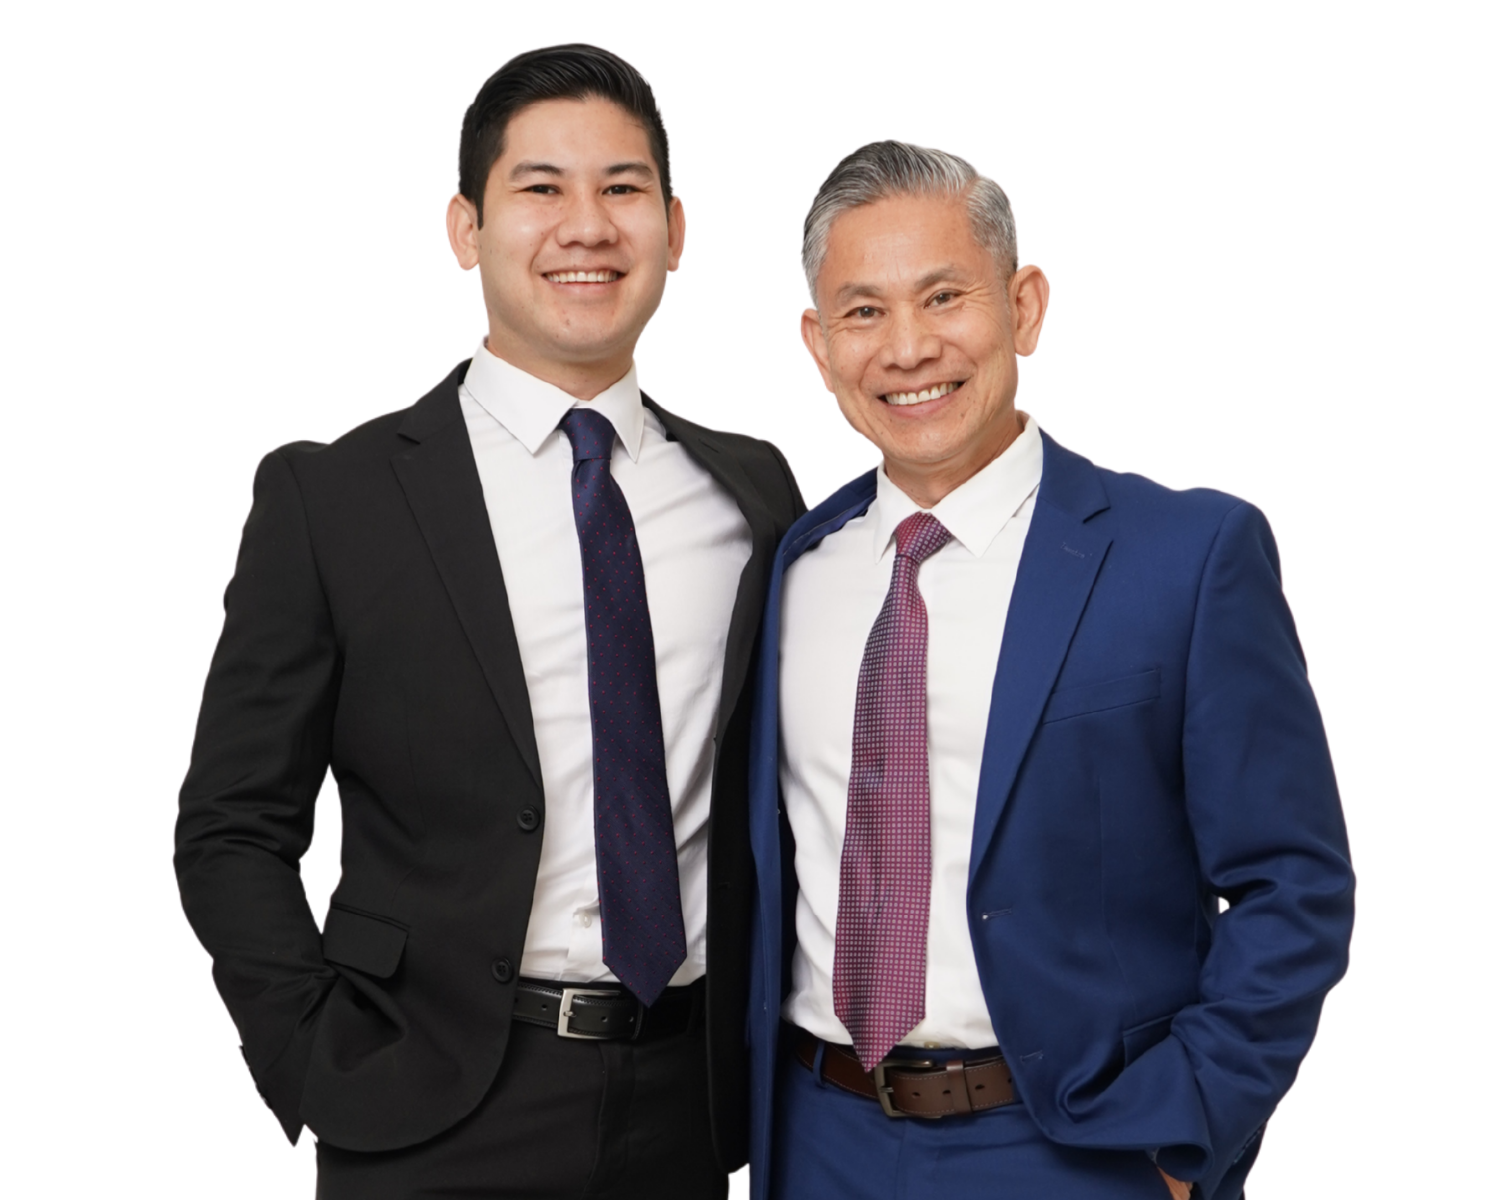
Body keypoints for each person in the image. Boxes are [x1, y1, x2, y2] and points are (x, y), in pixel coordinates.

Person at [175, 44, 803, 1199]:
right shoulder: (337, 500)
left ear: (674, 225)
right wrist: (313, 1058)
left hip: (692, 1105)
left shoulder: (753, 493)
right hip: (428, 1104)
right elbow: (230, 825)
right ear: (466, 228)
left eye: (622, 189)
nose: (587, 225)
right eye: (540, 188)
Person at [744, 142, 1353, 1200]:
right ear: (818, 343)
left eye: (945, 297)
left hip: (1077, 1150)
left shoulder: (1185, 557)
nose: (908, 347)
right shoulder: (795, 562)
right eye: (863, 312)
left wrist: (1184, 1130)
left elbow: (1291, 883)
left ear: (1022, 307)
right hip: (820, 1139)